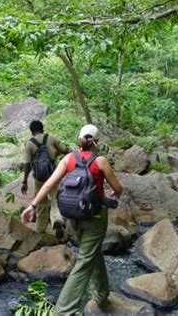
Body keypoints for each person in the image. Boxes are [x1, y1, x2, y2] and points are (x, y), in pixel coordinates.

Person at [21, 124, 123, 314]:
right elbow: (118, 189)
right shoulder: (100, 161)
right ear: (96, 141)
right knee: (85, 260)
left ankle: (101, 294)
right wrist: (112, 194)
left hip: (73, 215)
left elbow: (50, 183)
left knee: (93, 252)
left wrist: (32, 205)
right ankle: (64, 310)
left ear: (79, 139)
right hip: (95, 216)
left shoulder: (69, 159)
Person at [21, 120, 70, 237]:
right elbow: (65, 150)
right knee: (55, 199)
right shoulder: (51, 138)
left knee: (41, 203)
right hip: (53, 175)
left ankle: (40, 229)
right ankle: (57, 220)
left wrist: (24, 181)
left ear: (31, 131)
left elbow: (27, 164)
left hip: (39, 178)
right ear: (42, 128)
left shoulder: (29, 143)